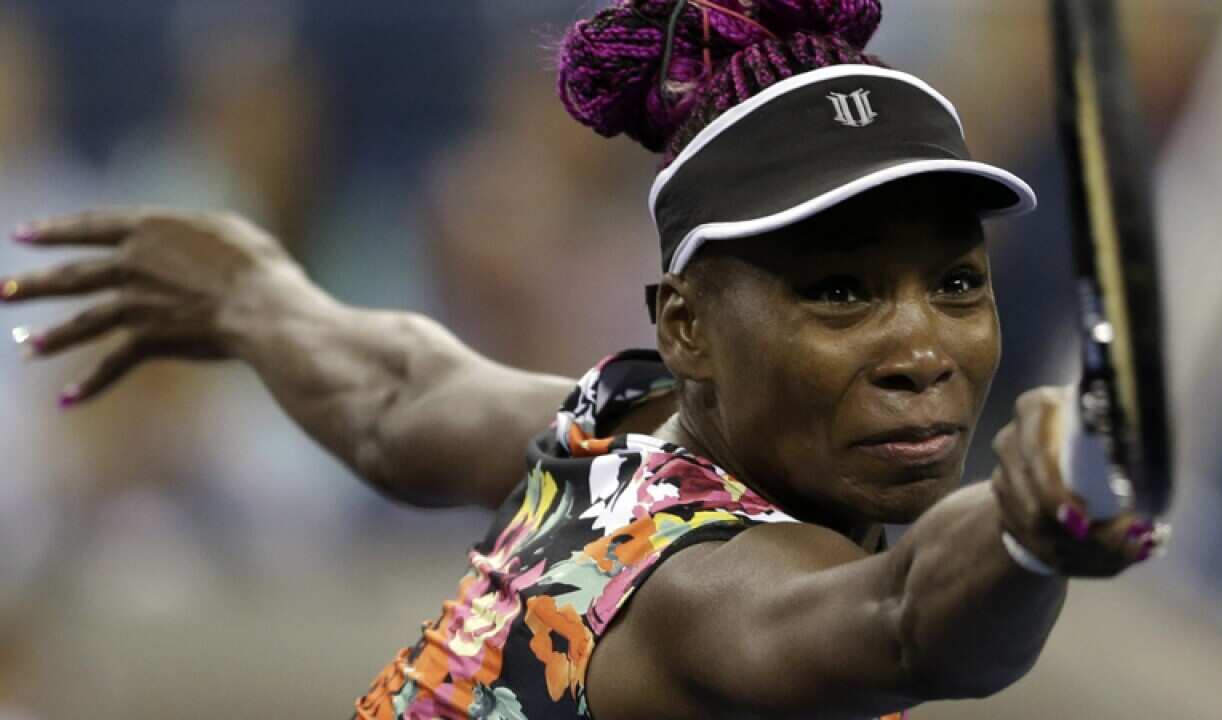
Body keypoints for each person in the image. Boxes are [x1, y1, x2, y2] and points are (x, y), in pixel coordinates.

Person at [1, 2, 1161, 718]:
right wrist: (1024, 534)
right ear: (685, 324)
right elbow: (908, 618)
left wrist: (254, 295)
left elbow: (400, 394)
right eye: (839, 290)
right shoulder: (709, 592)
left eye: (954, 282)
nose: (919, 345)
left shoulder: (613, 431)